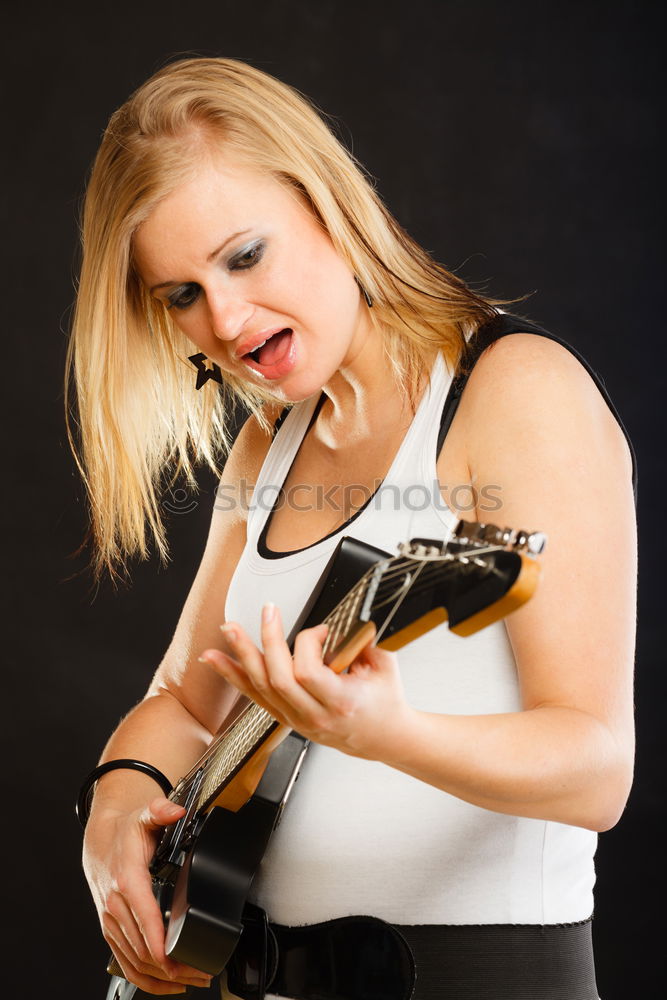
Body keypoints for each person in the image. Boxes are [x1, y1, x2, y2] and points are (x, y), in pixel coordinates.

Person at [67, 57, 637, 1000]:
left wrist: (389, 733)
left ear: (327, 203)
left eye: (244, 256)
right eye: (180, 295)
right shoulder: (268, 447)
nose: (226, 316)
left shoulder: (510, 394)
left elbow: (595, 771)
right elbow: (184, 697)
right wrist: (113, 816)